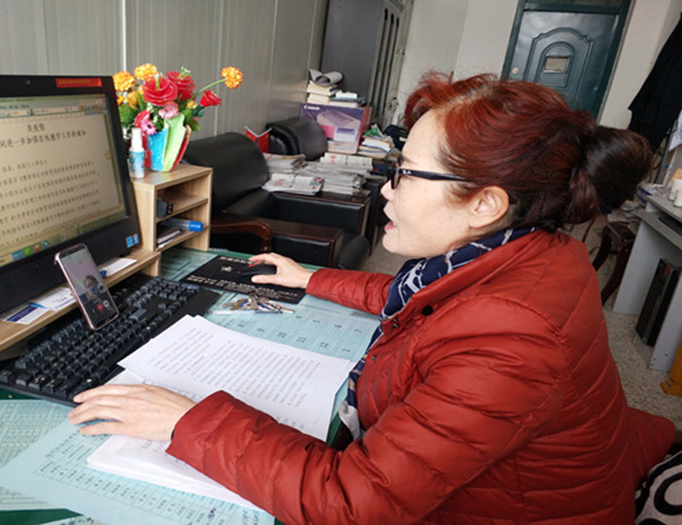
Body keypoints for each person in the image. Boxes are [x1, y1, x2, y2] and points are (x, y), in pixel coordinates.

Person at [68, 73, 675, 523]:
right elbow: (427, 300)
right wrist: (312, 280)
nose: (387, 190)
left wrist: (186, 421)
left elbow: (354, 504)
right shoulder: (529, 252)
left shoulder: (514, 339)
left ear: (485, 203)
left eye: (406, 173)